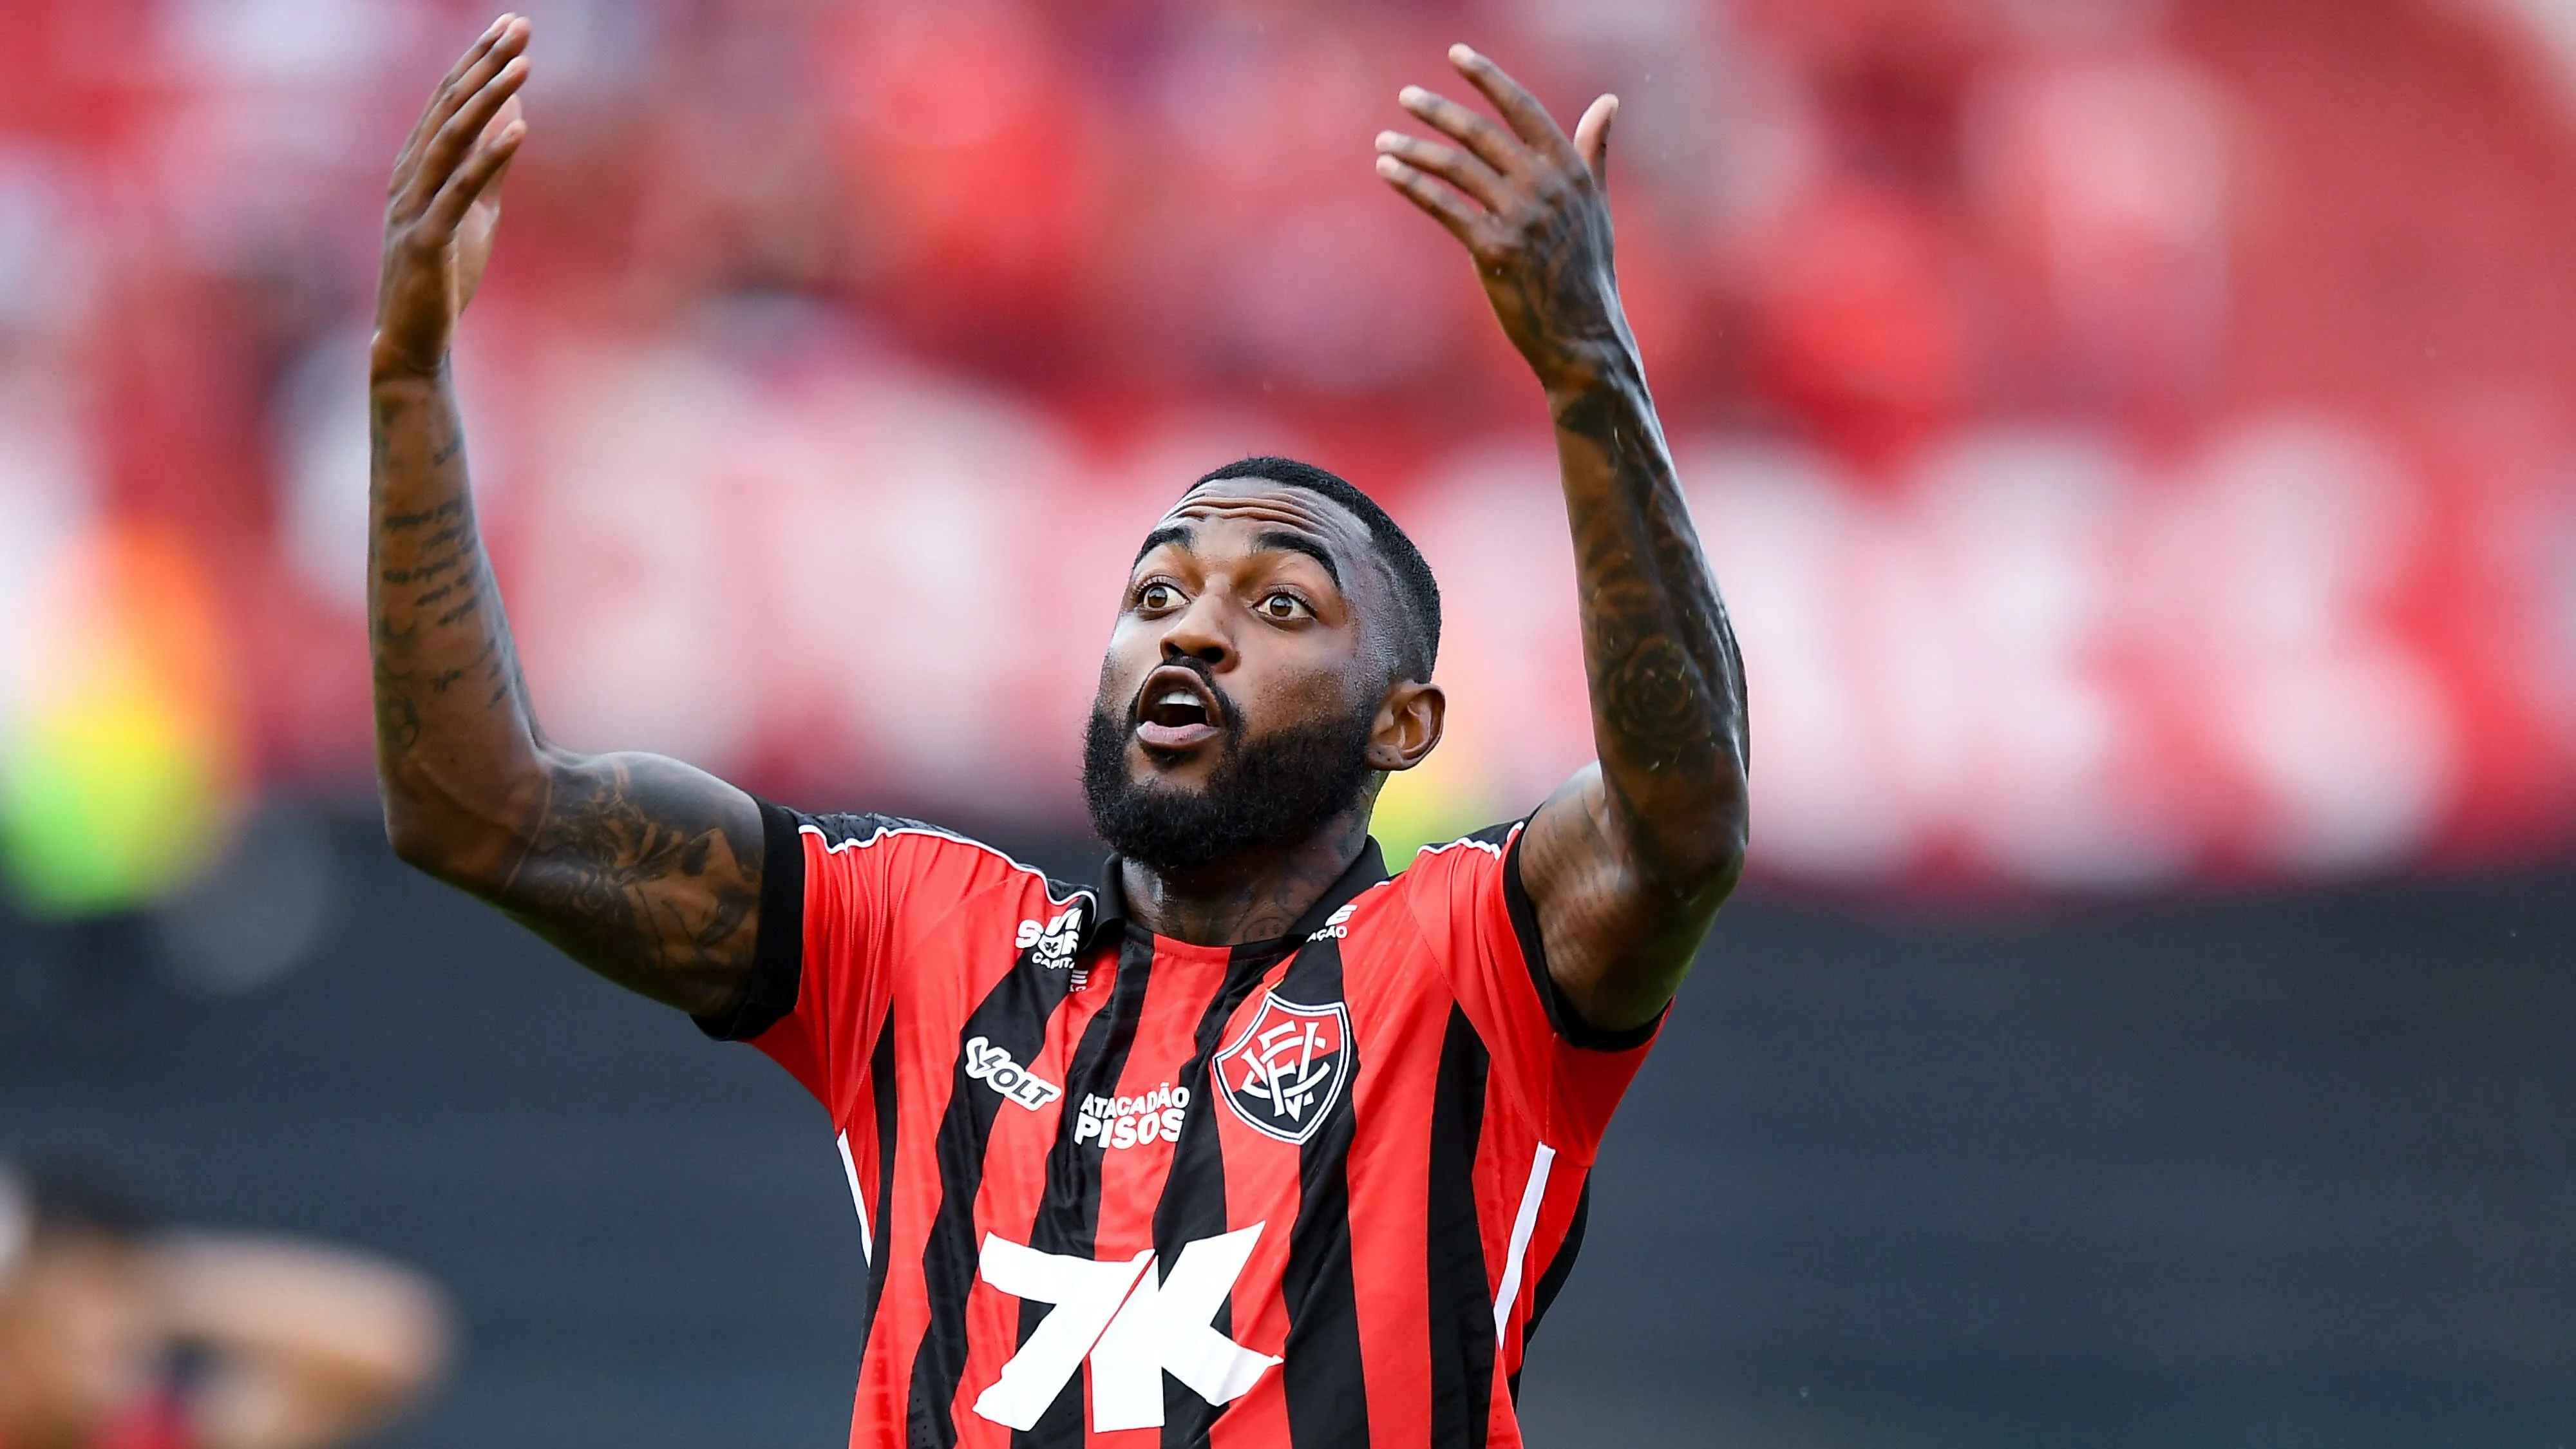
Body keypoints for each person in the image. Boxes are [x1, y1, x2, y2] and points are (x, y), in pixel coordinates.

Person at [368, 15, 1748, 1446]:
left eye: (1279, 606)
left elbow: (1683, 820)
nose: (1190, 629)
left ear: (1403, 724)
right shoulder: (916, 941)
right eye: (1155, 589)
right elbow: (478, 812)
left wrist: (1588, 366)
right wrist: (408, 379)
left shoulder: (1467, 965)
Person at [0, 1160, 451, 1449]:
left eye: (105, 1290)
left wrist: (156, 1283)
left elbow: (394, 1338)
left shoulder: (157, 1434)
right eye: (61, 1302)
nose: (93, 1327)